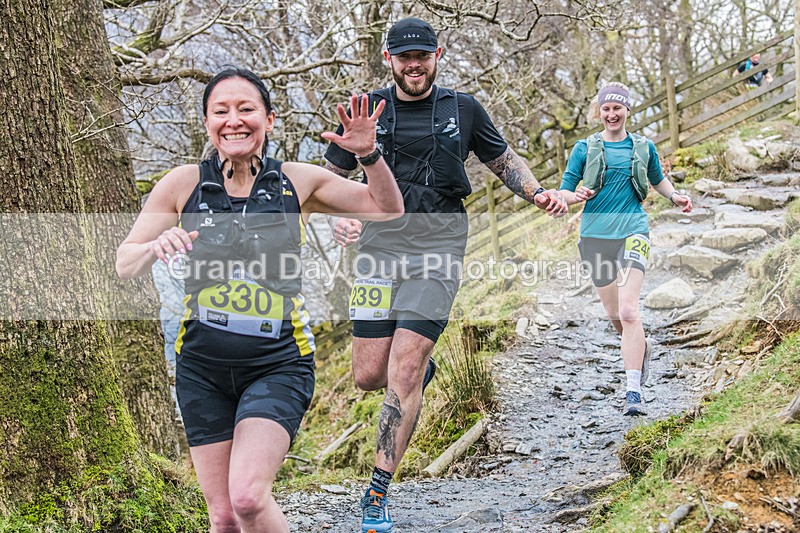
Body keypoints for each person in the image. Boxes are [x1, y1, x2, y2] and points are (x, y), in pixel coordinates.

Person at [116, 67, 403, 533]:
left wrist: (369, 153)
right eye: (221, 111)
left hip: (278, 363)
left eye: (246, 109)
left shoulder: (297, 181)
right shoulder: (182, 184)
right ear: (207, 123)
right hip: (200, 369)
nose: (234, 120)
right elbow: (124, 261)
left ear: (269, 119)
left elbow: (387, 209)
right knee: (224, 516)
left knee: (248, 497)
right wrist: (154, 246)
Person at [324, 17, 567, 533]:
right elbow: (329, 180)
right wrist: (341, 216)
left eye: (423, 56)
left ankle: (376, 493)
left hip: (438, 246)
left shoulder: (463, 108)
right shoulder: (365, 110)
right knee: (370, 376)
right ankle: (408, 383)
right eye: (404, 57)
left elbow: (503, 160)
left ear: (437, 54)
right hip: (376, 250)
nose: (414, 65)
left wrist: (537, 192)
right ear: (387, 59)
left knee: (404, 370)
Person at [558, 82, 692, 417]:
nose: (612, 114)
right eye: (606, 109)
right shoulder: (584, 148)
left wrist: (675, 196)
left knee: (630, 311)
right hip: (594, 237)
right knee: (617, 317)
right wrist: (577, 196)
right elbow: (565, 191)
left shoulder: (644, 147)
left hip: (634, 230)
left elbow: (658, 179)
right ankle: (641, 347)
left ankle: (633, 391)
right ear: (599, 112)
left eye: (618, 108)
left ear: (628, 110)